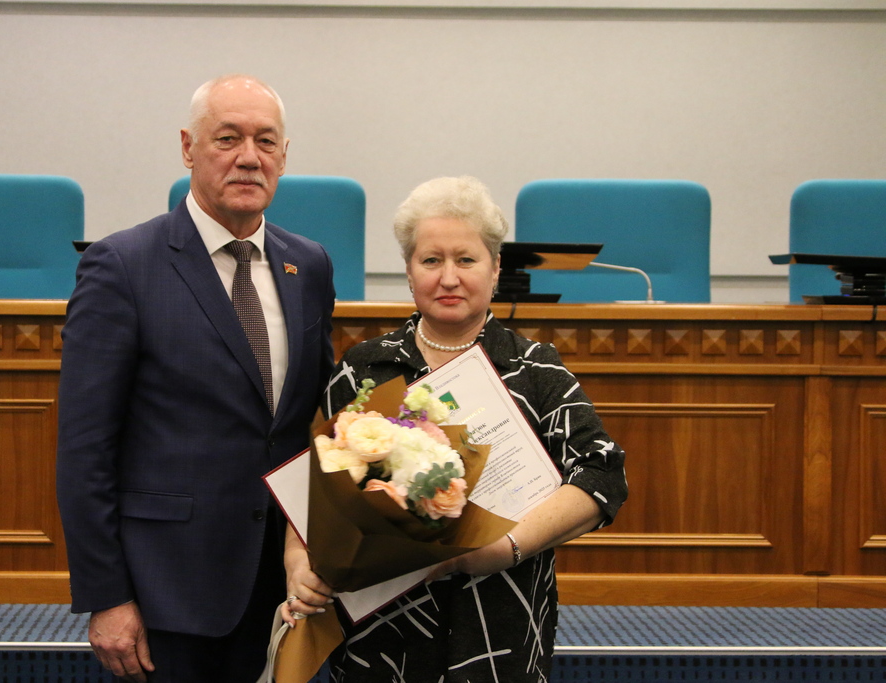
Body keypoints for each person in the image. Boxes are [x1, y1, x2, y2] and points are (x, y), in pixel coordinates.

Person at [283, 176, 627, 682]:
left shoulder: (535, 369)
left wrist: (505, 548)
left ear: (495, 269)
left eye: (466, 260)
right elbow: (310, 489)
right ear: (408, 271)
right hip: (382, 636)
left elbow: (601, 476)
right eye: (431, 260)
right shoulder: (365, 367)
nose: (449, 278)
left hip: (498, 627)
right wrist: (297, 563)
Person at [56, 74, 336, 683]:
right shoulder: (122, 265)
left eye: (266, 141)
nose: (249, 157)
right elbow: (84, 448)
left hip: (285, 587)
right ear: (188, 148)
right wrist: (106, 595)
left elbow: (315, 418)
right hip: (168, 591)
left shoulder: (309, 264)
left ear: (284, 155)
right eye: (227, 138)